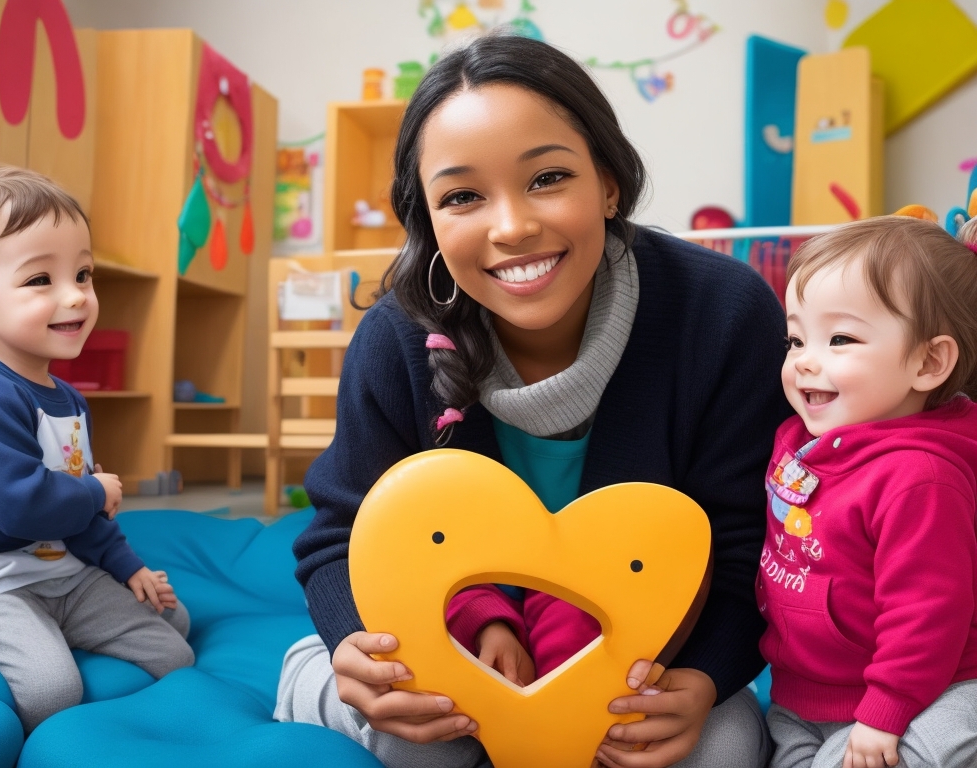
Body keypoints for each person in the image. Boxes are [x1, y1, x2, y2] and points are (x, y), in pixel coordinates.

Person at [275, 33, 791, 768]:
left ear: (609, 183)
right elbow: (340, 534)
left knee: (725, 748)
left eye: (547, 178)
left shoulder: (724, 314)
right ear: (427, 219)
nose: (512, 227)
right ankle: (309, 678)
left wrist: (704, 679)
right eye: (461, 196)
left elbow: (748, 546)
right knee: (426, 748)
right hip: (455, 642)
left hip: (640, 654)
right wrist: (354, 647)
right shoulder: (396, 341)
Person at [0, 167, 194, 734]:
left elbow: (82, 511)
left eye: (83, 274)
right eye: (41, 279)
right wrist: (94, 490)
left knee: (175, 636)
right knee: (52, 689)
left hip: (61, 568)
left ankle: (70, 637)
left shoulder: (67, 399)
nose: (76, 296)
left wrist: (126, 565)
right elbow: (24, 506)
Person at [759, 215, 977, 768]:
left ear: (929, 362)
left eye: (840, 339)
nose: (805, 358)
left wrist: (887, 710)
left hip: (924, 693)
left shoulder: (920, 480)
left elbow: (927, 613)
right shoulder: (800, 440)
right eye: (795, 338)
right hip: (805, 694)